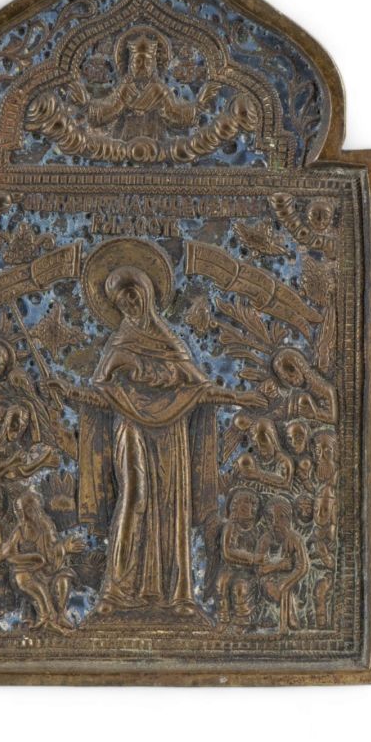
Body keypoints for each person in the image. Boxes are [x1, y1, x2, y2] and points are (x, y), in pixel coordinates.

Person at [51, 262, 254, 617]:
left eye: (132, 295)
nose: (128, 304)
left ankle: (176, 596)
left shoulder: (170, 342)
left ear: (146, 292)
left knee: (172, 507)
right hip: (130, 430)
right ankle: (115, 590)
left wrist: (239, 398)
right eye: (120, 301)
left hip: (171, 433)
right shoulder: (118, 345)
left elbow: (199, 388)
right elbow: (104, 395)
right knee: (134, 496)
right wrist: (70, 391)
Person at [0, 492, 84, 633]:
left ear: (35, 509)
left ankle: (60, 616)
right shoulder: (20, 531)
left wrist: (64, 548)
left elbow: (52, 551)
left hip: (49, 570)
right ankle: (45, 619)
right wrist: (27, 559)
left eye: (28, 510)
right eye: (20, 512)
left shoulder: (46, 527)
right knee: (32, 585)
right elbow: (8, 553)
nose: (24, 516)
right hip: (28, 572)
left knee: (64, 577)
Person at [257, 496, 309, 633]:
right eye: (271, 518)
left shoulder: (295, 539)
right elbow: (260, 570)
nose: (275, 523)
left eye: (281, 517)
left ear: (289, 519)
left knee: (286, 587)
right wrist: (278, 566)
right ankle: (286, 618)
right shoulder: (265, 540)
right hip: (269, 580)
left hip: (294, 581)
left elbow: (303, 566)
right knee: (274, 589)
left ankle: (287, 619)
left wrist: (287, 581)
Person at [216, 489, 261, 628]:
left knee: (240, 587)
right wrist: (251, 558)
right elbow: (227, 552)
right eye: (245, 504)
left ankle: (243, 618)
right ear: (235, 507)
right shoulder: (231, 527)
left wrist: (256, 561)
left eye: (253, 505)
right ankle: (224, 617)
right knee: (221, 583)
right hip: (230, 567)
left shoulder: (257, 530)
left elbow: (263, 553)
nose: (250, 508)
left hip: (249, 571)